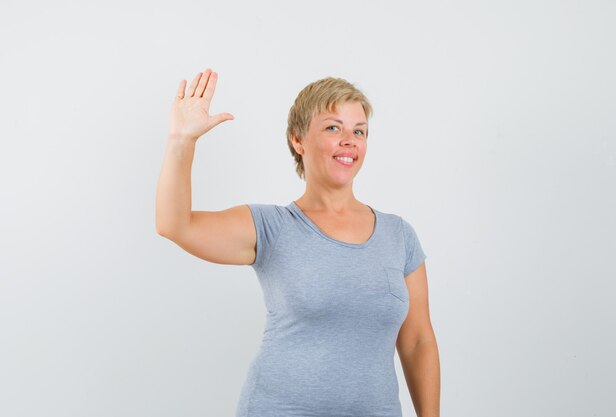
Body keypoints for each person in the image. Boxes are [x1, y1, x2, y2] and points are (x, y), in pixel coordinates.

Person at [156, 68, 441, 417]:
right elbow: (174, 225)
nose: (349, 139)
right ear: (298, 140)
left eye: (359, 131)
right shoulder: (272, 227)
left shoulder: (400, 235)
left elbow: (417, 341)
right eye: (333, 127)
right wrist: (181, 142)